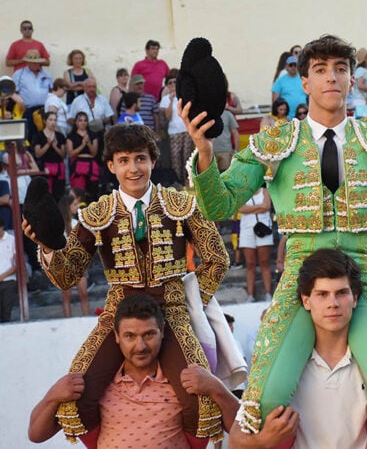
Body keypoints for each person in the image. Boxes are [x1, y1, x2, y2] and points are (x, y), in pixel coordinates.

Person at [180, 34, 367, 435]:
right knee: (262, 408)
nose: (331, 78)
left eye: (340, 69)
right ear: (304, 82)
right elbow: (218, 206)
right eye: (321, 70)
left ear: (352, 79)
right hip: (301, 277)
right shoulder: (275, 143)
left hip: (364, 278)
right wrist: (205, 151)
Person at [24, 123, 230, 443]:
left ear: (152, 160)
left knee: (202, 404)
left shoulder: (181, 206)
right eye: (123, 160)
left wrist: (188, 298)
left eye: (140, 159)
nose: (133, 168)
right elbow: (66, 276)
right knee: (73, 401)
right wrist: (48, 247)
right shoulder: (97, 215)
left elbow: (218, 259)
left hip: (170, 311)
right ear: (111, 165)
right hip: (118, 315)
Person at [228, 249, 367, 448]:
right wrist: (263, 442)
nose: (333, 303)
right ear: (306, 301)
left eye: (342, 293)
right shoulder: (284, 365)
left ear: (355, 299)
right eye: (322, 294)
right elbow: (236, 442)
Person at [28, 294, 239, 447]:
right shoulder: (100, 384)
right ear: (117, 336)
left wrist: (216, 388)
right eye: (130, 336)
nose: (140, 346)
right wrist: (52, 397)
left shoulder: (184, 383)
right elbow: (36, 435)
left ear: (162, 331)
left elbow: (244, 431)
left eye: (149, 335)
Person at [238, 187, 274, 302]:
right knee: (250, 264)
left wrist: (250, 209)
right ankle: (250, 295)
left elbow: (267, 206)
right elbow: (241, 208)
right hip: (247, 229)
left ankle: (268, 293)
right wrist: (259, 207)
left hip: (263, 227)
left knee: (264, 262)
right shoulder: (243, 191)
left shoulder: (265, 191)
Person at [58, 194, 91, 319]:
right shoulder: (58, 225)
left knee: (84, 294)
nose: (77, 208)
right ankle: (67, 322)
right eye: (74, 205)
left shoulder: (76, 223)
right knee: (67, 296)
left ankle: (87, 320)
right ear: (67, 207)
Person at [160, 71, 194, 184]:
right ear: (167, 85)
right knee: (175, 157)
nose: (173, 85)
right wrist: (170, 101)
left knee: (187, 156)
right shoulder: (165, 99)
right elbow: (167, 116)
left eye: (175, 82)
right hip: (174, 131)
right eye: (170, 83)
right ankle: (178, 181)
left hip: (186, 130)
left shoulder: (184, 95)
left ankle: (188, 180)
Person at [12, 49, 53, 139]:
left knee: (45, 136)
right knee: (30, 135)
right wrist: (19, 101)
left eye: (37, 62)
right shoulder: (18, 74)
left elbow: (51, 91)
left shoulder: (46, 75)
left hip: (44, 110)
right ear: (27, 62)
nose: (35, 64)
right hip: (28, 109)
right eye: (32, 62)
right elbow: (13, 92)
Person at [32, 111, 67, 201]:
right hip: (44, 168)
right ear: (45, 121)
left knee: (59, 194)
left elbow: (63, 155)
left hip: (58, 168)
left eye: (55, 120)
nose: (53, 122)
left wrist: (55, 147)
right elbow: (38, 154)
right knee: (45, 194)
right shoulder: (38, 136)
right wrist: (48, 144)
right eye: (50, 120)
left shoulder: (60, 136)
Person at [67, 112, 100, 201]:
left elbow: (94, 153)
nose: (83, 123)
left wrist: (88, 143)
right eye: (80, 120)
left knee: (92, 192)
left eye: (85, 120)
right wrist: (82, 144)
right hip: (78, 164)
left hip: (91, 164)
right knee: (79, 192)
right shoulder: (71, 136)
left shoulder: (92, 135)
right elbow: (71, 154)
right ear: (76, 122)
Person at [0, 219, 17, 323]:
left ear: (1, 227)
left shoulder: (12, 240)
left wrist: (2, 276)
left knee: (6, 315)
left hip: (8, 281)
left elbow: (17, 265)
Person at [352, 47, 367, 117]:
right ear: (364, 59)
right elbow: (360, 85)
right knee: (361, 123)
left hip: (363, 101)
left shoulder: (364, 70)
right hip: (360, 101)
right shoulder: (361, 70)